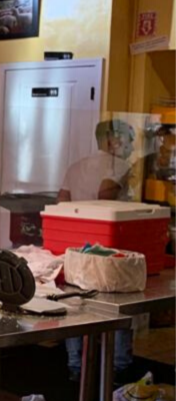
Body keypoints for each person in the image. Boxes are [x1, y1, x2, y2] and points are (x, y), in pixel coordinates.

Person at [59, 119, 136, 382]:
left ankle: (74, 365)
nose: (130, 146)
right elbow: (105, 192)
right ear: (112, 140)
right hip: (107, 244)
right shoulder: (119, 165)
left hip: (77, 243)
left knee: (75, 302)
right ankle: (118, 366)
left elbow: (61, 201)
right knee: (117, 303)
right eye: (127, 139)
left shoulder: (76, 166)